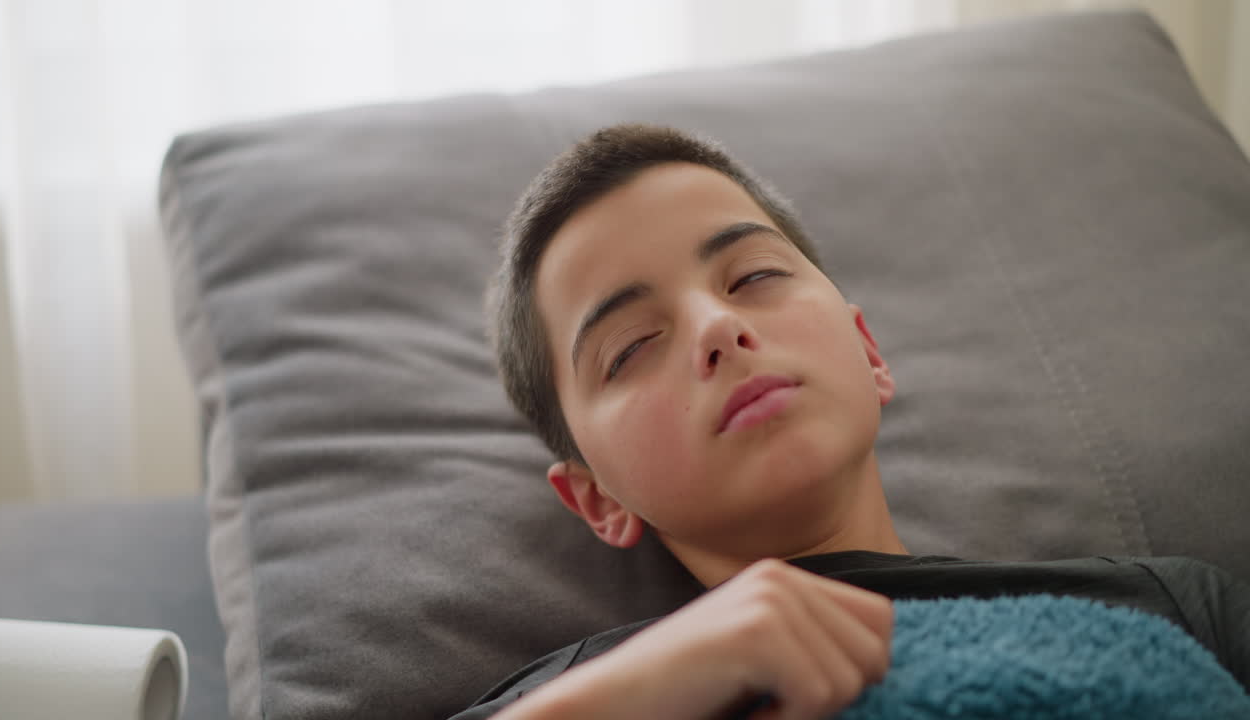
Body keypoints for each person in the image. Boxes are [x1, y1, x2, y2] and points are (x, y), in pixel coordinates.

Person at [454, 124, 1250, 719]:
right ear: (598, 500)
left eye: (753, 276)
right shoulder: (568, 698)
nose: (717, 328)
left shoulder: (1170, 607)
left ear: (868, 352)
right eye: (631, 348)